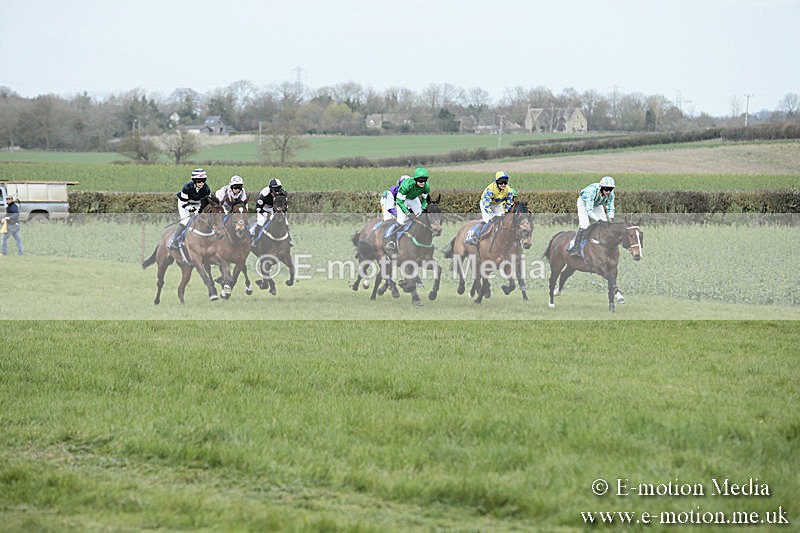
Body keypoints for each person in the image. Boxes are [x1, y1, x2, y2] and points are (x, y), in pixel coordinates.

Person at [384, 167, 430, 253]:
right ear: (415, 180)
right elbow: (399, 202)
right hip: (402, 200)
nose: (422, 183)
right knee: (401, 221)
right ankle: (392, 241)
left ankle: (426, 240)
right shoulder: (406, 186)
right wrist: (407, 213)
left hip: (413, 199)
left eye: (425, 180)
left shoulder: (426, 186)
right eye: (420, 181)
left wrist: (423, 209)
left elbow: (425, 200)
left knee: (422, 218)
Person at [569, 176, 616, 256]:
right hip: (584, 203)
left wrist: (611, 218)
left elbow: (611, 207)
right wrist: (598, 220)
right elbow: (589, 210)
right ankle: (575, 247)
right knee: (585, 224)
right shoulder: (592, 191)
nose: (608, 192)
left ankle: (602, 245)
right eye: (606, 189)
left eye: (610, 189)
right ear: (601, 187)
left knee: (605, 224)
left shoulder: (611, 194)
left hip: (597, 204)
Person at [465, 171, 515, 245]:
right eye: (501, 182)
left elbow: (509, 203)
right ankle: (474, 236)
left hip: (498, 205)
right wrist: (493, 215)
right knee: (488, 221)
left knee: (502, 220)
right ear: (496, 182)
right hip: (486, 205)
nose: (503, 184)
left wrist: (505, 212)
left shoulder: (508, 190)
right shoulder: (490, 190)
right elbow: (486, 206)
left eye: (505, 182)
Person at [169, 168, 211, 249]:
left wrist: (199, 210)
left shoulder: (206, 189)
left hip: (197, 203)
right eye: (199, 181)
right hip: (184, 203)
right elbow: (184, 203)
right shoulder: (187, 187)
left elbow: (206, 203)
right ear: (194, 181)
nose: (201, 183)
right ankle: (174, 241)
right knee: (185, 221)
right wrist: (192, 209)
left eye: (203, 180)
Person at [252, 178, 293, 245]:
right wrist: (265, 214)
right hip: (264, 209)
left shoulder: (283, 193)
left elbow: (285, 206)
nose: (277, 192)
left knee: (285, 222)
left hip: (275, 209)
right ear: (270, 189)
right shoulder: (264, 195)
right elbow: (258, 208)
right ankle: (255, 239)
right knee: (261, 222)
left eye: (278, 189)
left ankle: (289, 239)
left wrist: (283, 212)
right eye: (275, 189)